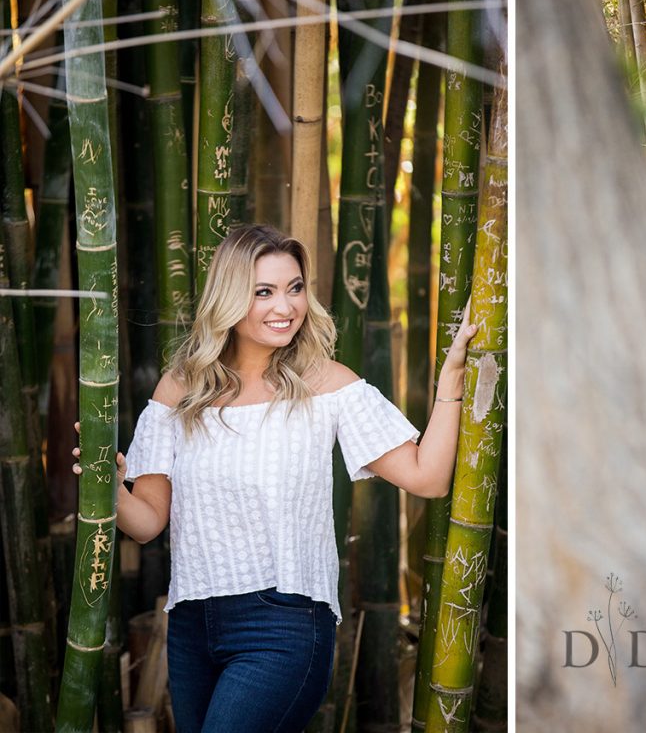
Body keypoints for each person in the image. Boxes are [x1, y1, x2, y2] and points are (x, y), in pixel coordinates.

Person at [73, 225, 476, 732]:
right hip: (193, 624)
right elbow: (148, 521)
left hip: (283, 623)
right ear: (229, 297)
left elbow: (427, 477)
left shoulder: (326, 385)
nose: (284, 305)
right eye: (263, 291)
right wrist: (109, 487)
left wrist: (451, 385)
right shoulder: (181, 390)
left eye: (294, 287)